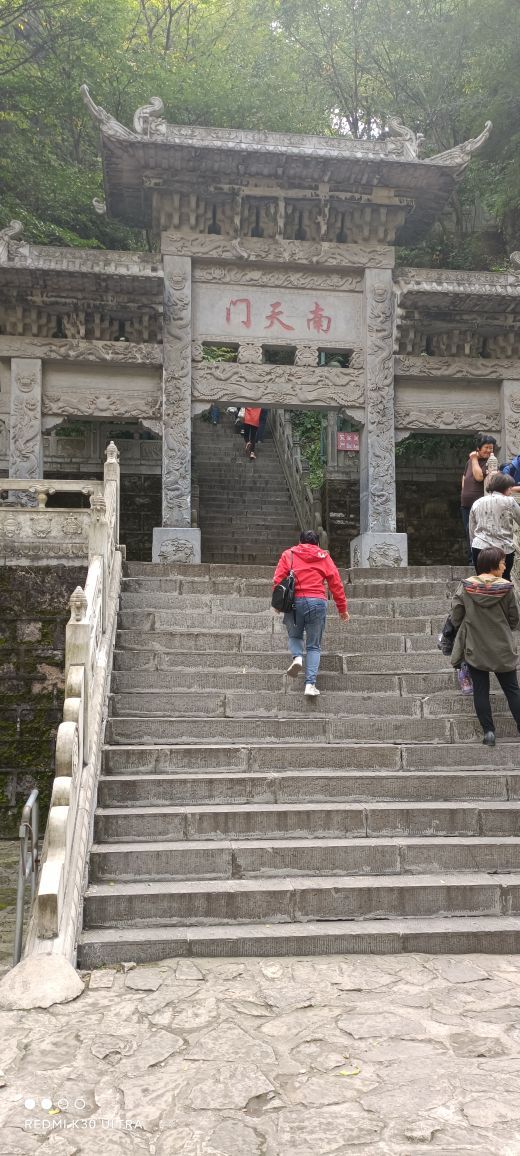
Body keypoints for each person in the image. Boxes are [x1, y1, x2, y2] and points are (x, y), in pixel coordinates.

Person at [450, 545, 520, 747]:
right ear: (492, 564)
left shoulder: (465, 587)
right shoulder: (506, 588)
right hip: (502, 647)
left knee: (481, 690)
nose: (504, 565)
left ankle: (489, 732)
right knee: (512, 689)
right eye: (502, 562)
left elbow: (456, 616)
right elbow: (515, 619)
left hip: (475, 646)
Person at [272, 530, 349, 697]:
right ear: (318, 544)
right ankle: (310, 685)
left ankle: (297, 658)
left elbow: (278, 580)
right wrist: (342, 609)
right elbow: (336, 583)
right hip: (317, 603)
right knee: (314, 646)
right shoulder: (324, 557)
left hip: (294, 603)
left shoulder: (289, 554)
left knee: (295, 637)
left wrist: (278, 604)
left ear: (300, 541)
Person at [469, 471, 520, 581]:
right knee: (503, 582)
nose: (511, 491)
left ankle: (482, 599)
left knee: (482, 582)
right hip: (503, 550)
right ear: (504, 487)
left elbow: (472, 529)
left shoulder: (477, 502)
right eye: (510, 488)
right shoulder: (509, 501)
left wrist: (472, 547)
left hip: (480, 548)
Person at [461, 434, 497, 561]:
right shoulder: (469, 462)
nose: (489, 450)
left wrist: (474, 458)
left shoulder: (490, 462)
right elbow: (464, 478)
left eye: (491, 448)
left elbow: (479, 477)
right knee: (468, 532)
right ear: (478, 448)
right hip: (466, 505)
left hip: (480, 505)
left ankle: (478, 560)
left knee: (478, 532)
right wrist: (464, 493)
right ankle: (471, 559)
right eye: (486, 447)